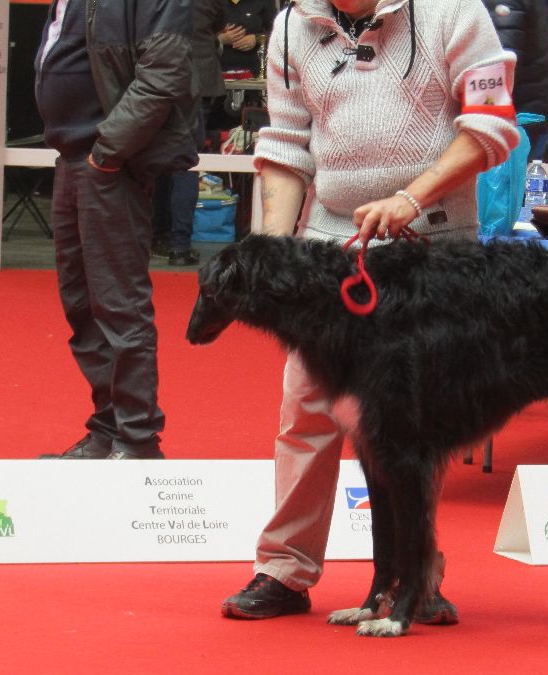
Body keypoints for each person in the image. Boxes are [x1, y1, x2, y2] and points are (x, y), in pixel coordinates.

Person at [221, 0, 519, 620]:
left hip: (430, 240)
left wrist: (411, 197)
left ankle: (416, 575)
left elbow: (490, 128)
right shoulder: (289, 28)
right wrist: (277, 254)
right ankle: (284, 569)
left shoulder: (454, 13)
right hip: (331, 243)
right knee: (306, 407)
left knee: (413, 425)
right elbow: (284, 143)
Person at [34, 0, 201, 459]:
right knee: (83, 306)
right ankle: (110, 429)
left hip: (106, 159)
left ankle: (136, 438)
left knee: (117, 306)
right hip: (78, 156)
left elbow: (163, 73)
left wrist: (108, 151)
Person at [152, 0, 228, 268]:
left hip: (160, 78)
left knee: (160, 158)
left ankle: (159, 235)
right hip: (200, 78)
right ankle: (179, 246)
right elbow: (219, 19)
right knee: (187, 162)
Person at [482, 0, 548, 158]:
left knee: (514, 178)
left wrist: (480, 122)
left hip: (522, 113)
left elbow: (501, 66)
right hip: (533, 104)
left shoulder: (503, 3)